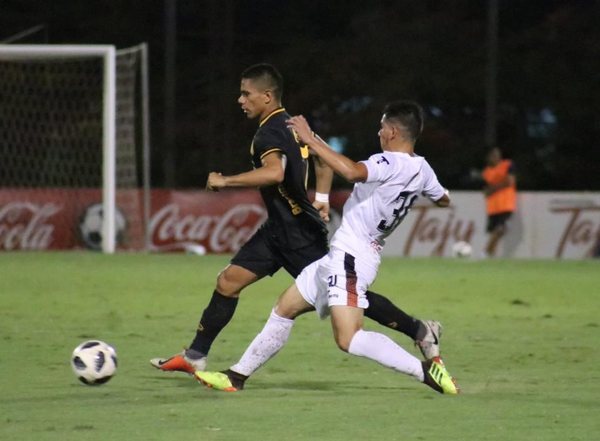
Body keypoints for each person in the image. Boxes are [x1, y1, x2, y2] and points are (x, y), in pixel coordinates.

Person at [151, 64, 441, 375]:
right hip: (277, 229)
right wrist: (323, 197)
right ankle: (196, 355)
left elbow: (275, 172)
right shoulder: (291, 124)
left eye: (246, 94)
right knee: (228, 281)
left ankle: (419, 330)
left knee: (345, 294)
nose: (240, 100)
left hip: (300, 232)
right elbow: (323, 157)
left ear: (266, 96)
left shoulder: (267, 133)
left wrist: (226, 181)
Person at [195, 101, 459, 394]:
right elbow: (443, 199)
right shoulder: (422, 169)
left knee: (349, 338)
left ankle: (424, 371)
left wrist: (309, 140)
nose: (379, 132)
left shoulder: (388, 162)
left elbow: (353, 172)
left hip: (352, 257)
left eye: (382, 127)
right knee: (285, 308)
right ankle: (236, 377)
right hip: (342, 255)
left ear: (393, 131)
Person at [482, 146, 516, 257]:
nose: (496, 157)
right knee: (494, 232)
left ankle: (486, 251)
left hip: (506, 204)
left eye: (497, 155)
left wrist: (492, 189)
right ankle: (491, 256)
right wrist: (489, 190)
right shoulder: (487, 172)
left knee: (500, 229)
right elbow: (486, 190)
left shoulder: (507, 165)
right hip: (493, 206)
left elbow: (510, 181)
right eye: (493, 155)